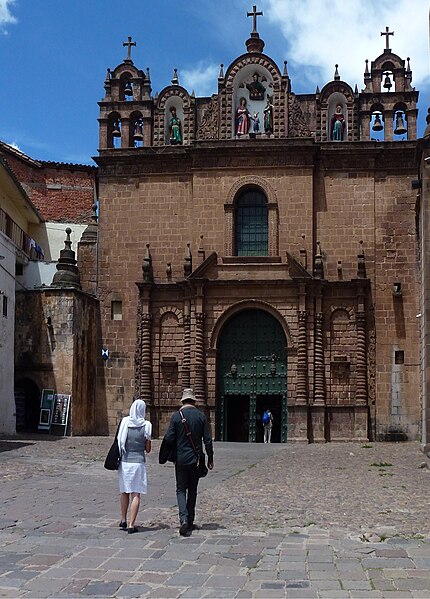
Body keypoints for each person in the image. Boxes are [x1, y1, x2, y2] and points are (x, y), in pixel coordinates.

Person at [163, 388, 214, 536]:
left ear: (183, 400)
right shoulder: (200, 416)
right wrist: (210, 458)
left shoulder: (176, 417)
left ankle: (183, 519)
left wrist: (167, 454)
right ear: (193, 400)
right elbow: (208, 440)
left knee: (180, 489)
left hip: (180, 460)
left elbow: (169, 438)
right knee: (192, 490)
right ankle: (190, 521)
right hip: (196, 460)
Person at [117, 399, 152, 534]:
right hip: (138, 462)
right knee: (136, 493)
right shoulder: (147, 425)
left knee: (124, 491)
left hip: (125, 462)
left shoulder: (125, 422)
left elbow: (121, 442)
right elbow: (147, 449)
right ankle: (131, 525)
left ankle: (123, 519)